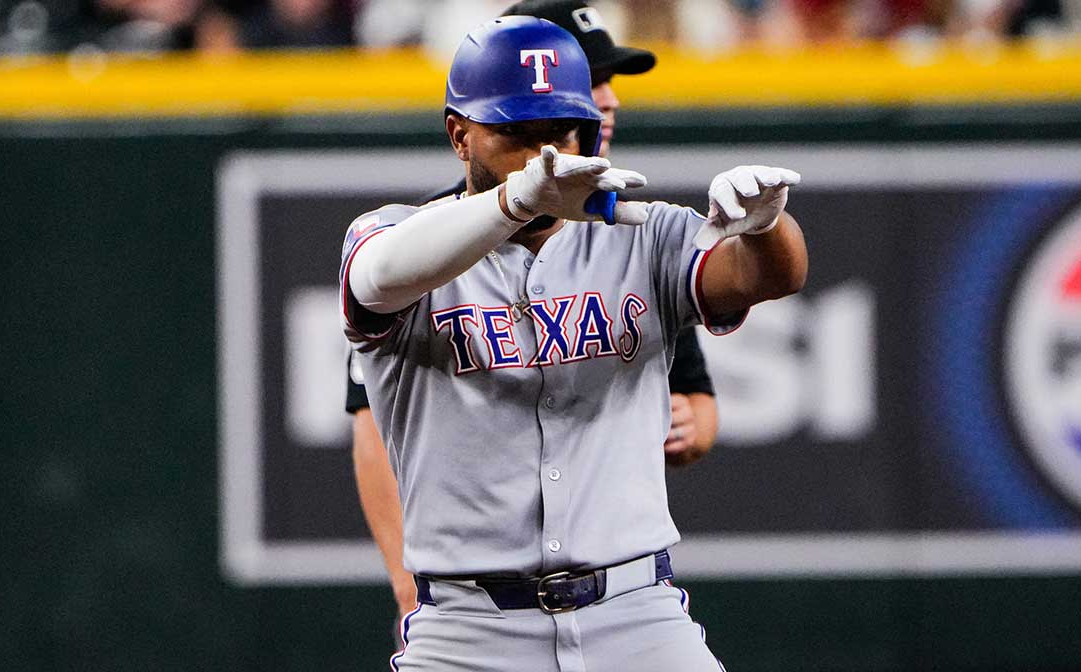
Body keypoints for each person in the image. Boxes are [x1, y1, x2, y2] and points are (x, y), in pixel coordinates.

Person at [340, 15, 806, 670]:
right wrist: (515, 202)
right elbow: (376, 277)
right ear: (458, 134)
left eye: (558, 133)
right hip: (470, 628)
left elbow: (769, 276)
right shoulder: (395, 234)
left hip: (634, 609)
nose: (542, 156)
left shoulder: (641, 234)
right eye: (515, 134)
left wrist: (767, 226)